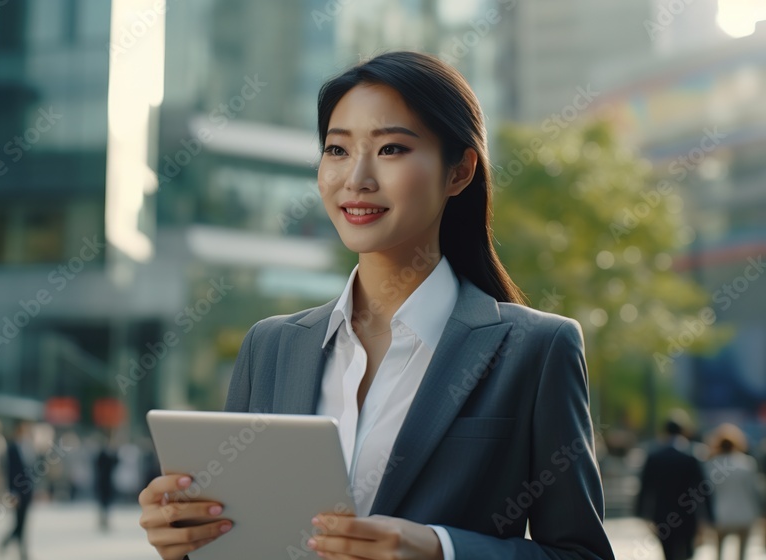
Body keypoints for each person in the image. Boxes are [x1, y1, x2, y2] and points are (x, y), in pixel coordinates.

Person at [138, 50, 614, 560]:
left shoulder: (536, 349)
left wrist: (441, 549)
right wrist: (186, 541)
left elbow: (580, 554)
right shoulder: (271, 345)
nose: (357, 178)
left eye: (390, 149)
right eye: (337, 150)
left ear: (459, 172)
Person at [635, 414, 714, 560]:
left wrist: (641, 513)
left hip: (662, 513)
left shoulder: (654, 457)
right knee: (687, 551)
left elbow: (645, 486)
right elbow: (702, 488)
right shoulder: (691, 456)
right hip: (688, 513)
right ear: (683, 432)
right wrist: (709, 516)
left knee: (668, 552)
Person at [706, 423, 761, 560]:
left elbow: (707, 493)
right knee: (742, 554)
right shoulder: (746, 463)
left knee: (719, 552)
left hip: (720, 514)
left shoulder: (711, 465)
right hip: (745, 514)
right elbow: (754, 490)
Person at [0, 422, 34, 560]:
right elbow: (10, 472)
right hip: (17, 491)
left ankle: (8, 543)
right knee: (19, 521)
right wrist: (12, 492)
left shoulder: (29, 447)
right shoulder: (12, 449)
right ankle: (21, 550)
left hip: (28, 490)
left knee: (23, 522)